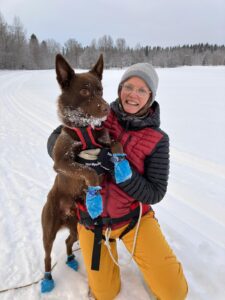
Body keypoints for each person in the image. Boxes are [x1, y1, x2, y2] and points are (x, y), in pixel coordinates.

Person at [47, 63, 188, 300]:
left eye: (142, 90)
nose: (133, 94)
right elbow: (54, 138)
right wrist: (79, 159)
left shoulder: (158, 139)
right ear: (120, 89)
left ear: (151, 96)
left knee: (174, 292)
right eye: (129, 86)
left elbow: (155, 193)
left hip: (134, 218)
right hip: (93, 221)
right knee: (105, 293)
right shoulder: (100, 113)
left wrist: (121, 172)